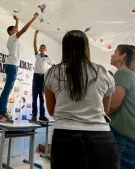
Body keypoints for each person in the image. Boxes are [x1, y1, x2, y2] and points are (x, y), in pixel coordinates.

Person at [45, 30, 120, 169]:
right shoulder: (103, 72)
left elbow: (51, 111)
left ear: (64, 47)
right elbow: (105, 110)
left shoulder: (53, 72)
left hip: (64, 136)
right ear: (86, 47)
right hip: (101, 138)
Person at [0, 13, 39, 123]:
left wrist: (17, 20)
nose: (16, 29)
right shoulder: (13, 37)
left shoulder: (12, 38)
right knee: (8, 88)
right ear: (11, 32)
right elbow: (23, 30)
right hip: (12, 65)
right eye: (14, 29)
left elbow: (18, 29)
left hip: (10, 65)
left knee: (6, 88)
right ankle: (3, 111)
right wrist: (33, 18)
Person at [31, 30, 54, 122]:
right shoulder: (37, 55)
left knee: (41, 97)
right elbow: (34, 45)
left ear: (45, 49)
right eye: (41, 48)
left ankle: (42, 115)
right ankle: (34, 115)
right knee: (34, 97)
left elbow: (54, 66)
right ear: (39, 49)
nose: (42, 49)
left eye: (43, 48)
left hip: (42, 78)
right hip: (35, 77)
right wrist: (35, 35)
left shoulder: (47, 58)